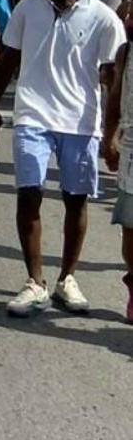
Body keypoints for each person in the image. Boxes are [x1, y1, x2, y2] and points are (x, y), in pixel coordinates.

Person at [0, 0, 126, 318]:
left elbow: (114, 77)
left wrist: (112, 131)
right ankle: (35, 282)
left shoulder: (102, 17)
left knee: (75, 200)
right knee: (28, 195)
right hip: (33, 115)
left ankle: (67, 278)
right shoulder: (27, 9)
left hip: (80, 122)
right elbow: (9, 59)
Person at [99, 19, 133, 324]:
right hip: (132, 150)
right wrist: (110, 136)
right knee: (131, 228)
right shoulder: (127, 51)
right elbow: (116, 97)